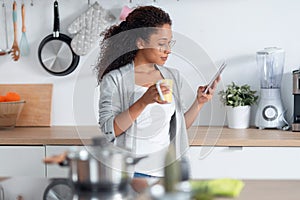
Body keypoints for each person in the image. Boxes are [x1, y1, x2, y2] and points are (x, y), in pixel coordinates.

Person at [95, 5, 219, 180]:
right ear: (140, 42)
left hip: (166, 173)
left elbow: (178, 126)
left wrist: (199, 103)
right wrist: (143, 101)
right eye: (161, 44)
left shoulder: (172, 76)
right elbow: (109, 131)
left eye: (169, 43)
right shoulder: (115, 79)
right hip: (131, 174)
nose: (168, 49)